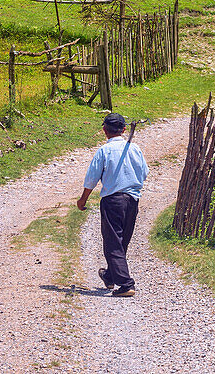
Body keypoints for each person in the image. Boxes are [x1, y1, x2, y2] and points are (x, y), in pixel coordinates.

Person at [77, 112, 149, 297]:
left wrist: (82, 200)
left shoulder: (104, 151)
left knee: (113, 243)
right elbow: (144, 173)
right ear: (124, 129)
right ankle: (110, 275)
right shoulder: (135, 149)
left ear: (104, 130)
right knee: (122, 240)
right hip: (132, 200)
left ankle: (126, 284)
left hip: (112, 200)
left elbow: (92, 178)